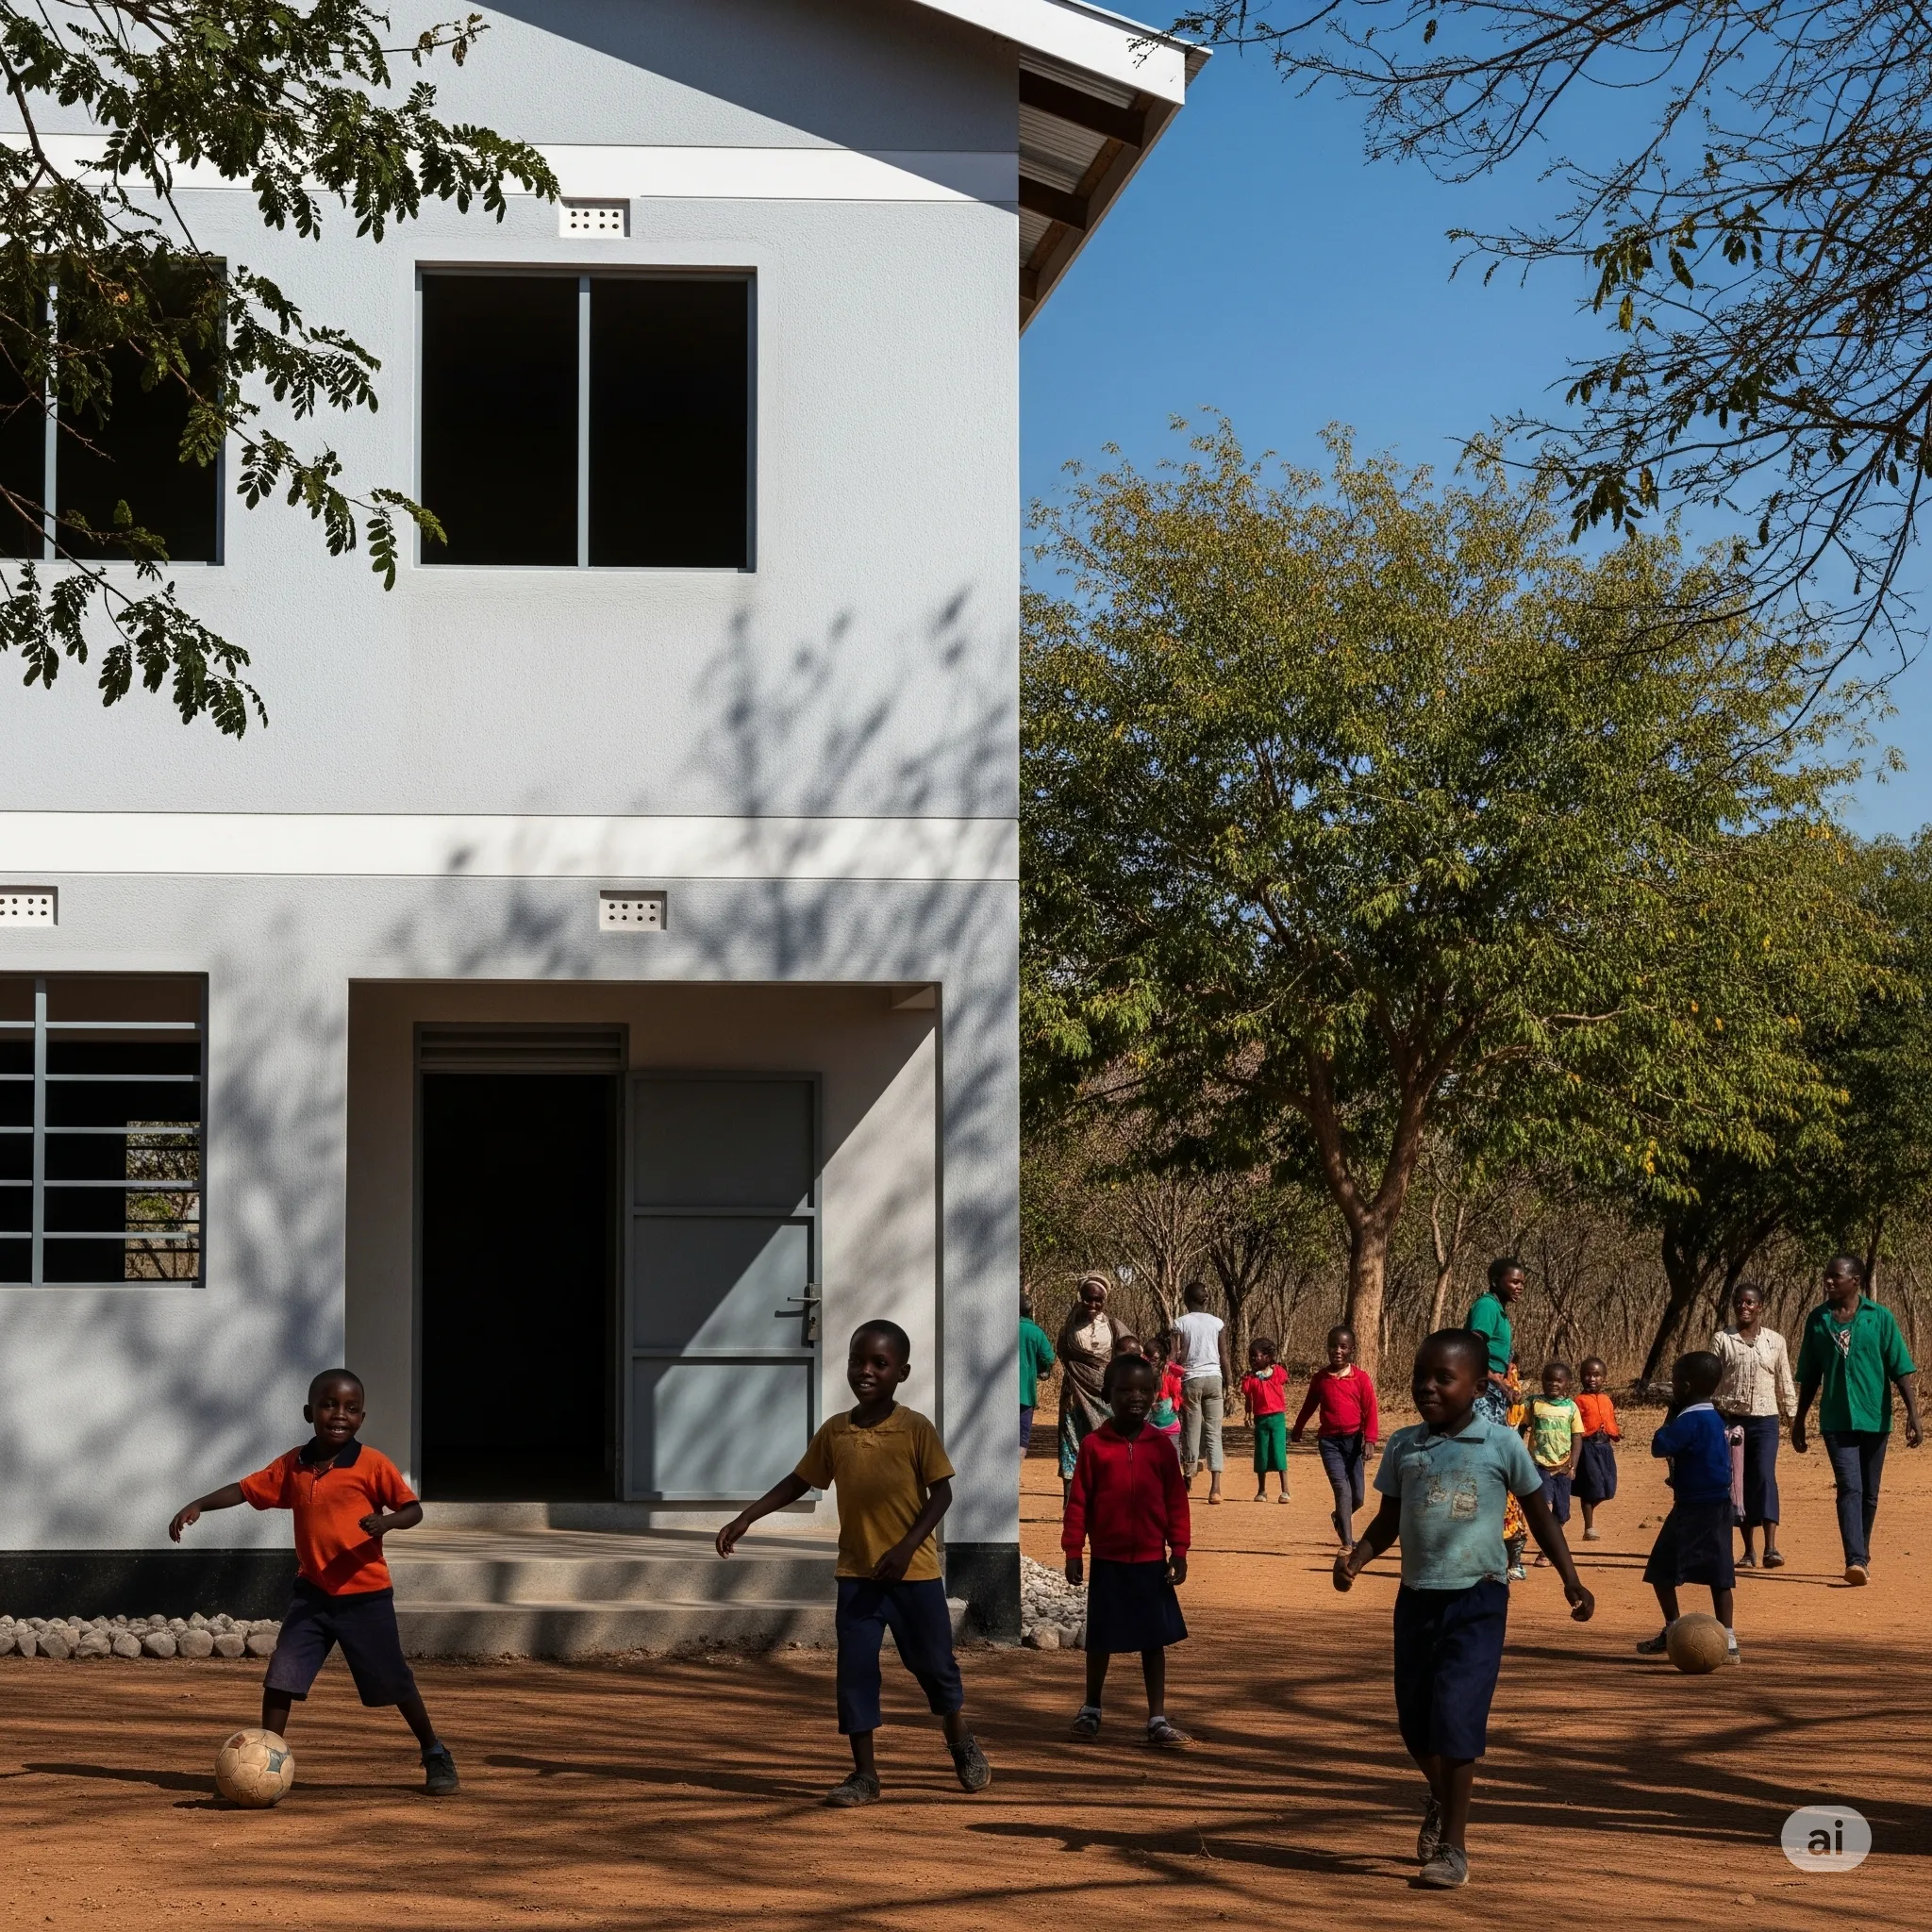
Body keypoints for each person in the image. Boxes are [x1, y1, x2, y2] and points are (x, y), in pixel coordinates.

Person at [1337, 1329, 1593, 1890]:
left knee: (1456, 1716)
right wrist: (1357, 1558)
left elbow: (1540, 1513)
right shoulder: (1404, 1446)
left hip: (1479, 1597)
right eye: (1420, 1377)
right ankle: (1441, 1794)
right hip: (1415, 1599)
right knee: (1414, 1724)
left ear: (1478, 1388)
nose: (1427, 1387)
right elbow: (1388, 1519)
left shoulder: (1502, 1444)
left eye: (1443, 1378)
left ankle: (1453, 1847)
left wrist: (1571, 1579)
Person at [716, 1320, 991, 1807]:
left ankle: (958, 1735)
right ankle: (865, 1775)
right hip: (857, 1577)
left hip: (914, 1576)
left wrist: (906, 1548)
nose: (865, 1371)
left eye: (879, 1363)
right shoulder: (835, 1431)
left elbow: (942, 1494)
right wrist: (747, 1517)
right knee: (855, 1674)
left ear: (901, 1372)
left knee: (934, 1667)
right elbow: (800, 1481)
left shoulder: (915, 1429)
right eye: (857, 1361)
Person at [167, 1368, 459, 1796]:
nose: (339, 1414)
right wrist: (199, 1504)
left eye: (351, 1408)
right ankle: (264, 1762)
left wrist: (386, 1522)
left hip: (365, 1597)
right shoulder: (294, 1465)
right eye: (328, 1405)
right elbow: (246, 1489)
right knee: (280, 1677)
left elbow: (413, 1510)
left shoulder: (372, 1464)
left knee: (393, 1680)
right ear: (309, 1412)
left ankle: (434, 1750)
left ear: (361, 1418)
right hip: (313, 1595)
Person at [1062, 1352, 1191, 1748]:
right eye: (1124, 1390)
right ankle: (1091, 1707)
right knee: (1100, 1639)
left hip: (1151, 1562)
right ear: (1107, 1394)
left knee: (1153, 1642)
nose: (1135, 1397)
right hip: (1108, 1561)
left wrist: (1179, 1550)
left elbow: (1176, 1503)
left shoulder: (1161, 1448)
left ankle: (1157, 1717)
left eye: (1144, 1390)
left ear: (1155, 1394)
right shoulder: (1093, 1446)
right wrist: (1073, 1551)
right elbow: (1078, 1503)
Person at [1792, 1253, 1923, 1586]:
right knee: (1850, 1486)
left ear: (1856, 1281)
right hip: (1836, 1419)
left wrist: (1913, 1413)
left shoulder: (1880, 1318)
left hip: (1874, 1417)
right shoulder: (1818, 1320)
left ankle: (1861, 1554)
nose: (1828, 1281)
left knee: (1869, 1493)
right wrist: (1799, 1419)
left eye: (1836, 1276)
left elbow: (1900, 1370)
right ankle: (1855, 1558)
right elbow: (1810, 1375)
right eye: (1827, 1274)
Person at [1636, 1350, 1740, 1664]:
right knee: (1720, 1573)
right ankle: (1729, 1640)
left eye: (1675, 1381)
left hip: (1692, 1508)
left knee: (1660, 1570)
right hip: (1719, 1506)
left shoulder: (1689, 1420)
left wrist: (1670, 1416)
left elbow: (1659, 1445)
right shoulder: (1715, 1418)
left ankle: (1673, 1628)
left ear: (1685, 1386)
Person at [1712, 1281, 1797, 1568]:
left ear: (1760, 1306)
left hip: (1765, 1420)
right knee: (1738, 1480)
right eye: (1739, 1302)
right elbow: (1712, 1379)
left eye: (1750, 1302)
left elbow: (1784, 1381)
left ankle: (1771, 1547)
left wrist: (1793, 1418)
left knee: (1764, 1476)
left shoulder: (1775, 1341)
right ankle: (1748, 1551)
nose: (1744, 1307)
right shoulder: (1722, 1340)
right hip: (1731, 1419)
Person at [1292, 1324, 1380, 1549]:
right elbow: (1309, 1404)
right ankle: (1347, 1544)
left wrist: (1370, 1440)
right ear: (1327, 1348)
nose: (1337, 1351)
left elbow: (1370, 1410)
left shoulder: (1360, 1378)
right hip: (1329, 1442)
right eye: (1333, 1346)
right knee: (1342, 1489)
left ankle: (1339, 1517)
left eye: (1343, 1347)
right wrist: (1298, 1427)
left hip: (1354, 1441)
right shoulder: (1320, 1379)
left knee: (1358, 1497)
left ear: (1352, 1349)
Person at [1466, 1259, 1528, 1578]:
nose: (1519, 1287)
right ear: (1495, 1281)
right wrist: (1497, 1382)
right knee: (1484, 1461)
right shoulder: (1487, 1307)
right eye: (1513, 1281)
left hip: (1494, 1392)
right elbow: (1473, 1348)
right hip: (1483, 1392)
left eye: (1522, 1282)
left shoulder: (1500, 1311)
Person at [1056, 1274, 1122, 1505]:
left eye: (1098, 1300)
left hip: (1105, 1396)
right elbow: (1061, 1352)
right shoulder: (1070, 1327)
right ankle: (1070, 1504)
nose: (1092, 1304)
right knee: (1071, 1444)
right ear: (1080, 1297)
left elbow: (1129, 1351)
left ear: (1105, 1300)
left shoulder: (1113, 1326)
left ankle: (1106, 1500)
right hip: (1074, 1395)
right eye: (1088, 1298)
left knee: (1106, 1445)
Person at [1170, 1280, 1233, 1505]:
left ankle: (1188, 1475)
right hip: (1215, 1379)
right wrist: (1230, 1384)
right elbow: (1224, 1356)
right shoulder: (1217, 1323)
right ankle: (1215, 1488)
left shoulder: (1180, 1323)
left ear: (1186, 1300)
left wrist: (1168, 1379)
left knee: (1191, 1431)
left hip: (1191, 1380)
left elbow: (1174, 1355)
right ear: (1205, 1300)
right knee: (1214, 1432)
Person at [1523, 1361, 1583, 1564]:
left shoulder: (1571, 1407)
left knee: (1561, 1514)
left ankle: (1549, 1547)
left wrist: (1573, 1465)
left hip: (1563, 1467)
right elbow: (1521, 1426)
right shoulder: (1534, 1403)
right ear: (1542, 1381)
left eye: (1558, 1380)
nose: (1553, 1384)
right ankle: (1545, 1550)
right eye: (1548, 1380)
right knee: (1545, 1507)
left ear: (1567, 1383)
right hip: (1538, 1464)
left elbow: (1577, 1437)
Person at [1572, 1357, 1621, 1541]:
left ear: (1604, 1378)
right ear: (1581, 1377)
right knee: (1590, 1486)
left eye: (1597, 1375)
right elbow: (1574, 1426)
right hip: (1587, 1448)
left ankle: (1590, 1507)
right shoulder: (1578, 1401)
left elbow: (1609, 1419)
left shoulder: (1607, 1399)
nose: (1592, 1379)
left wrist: (1614, 1432)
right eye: (1588, 1375)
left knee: (1608, 1486)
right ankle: (1589, 1527)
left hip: (1605, 1448)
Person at [1240, 1338, 1292, 1503]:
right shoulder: (1251, 1378)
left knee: (1279, 1451)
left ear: (1268, 1357)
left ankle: (1285, 1491)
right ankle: (1261, 1490)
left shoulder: (1277, 1373)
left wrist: (1273, 1368)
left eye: (1257, 1356)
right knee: (1261, 1453)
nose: (1253, 1359)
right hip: (1260, 1419)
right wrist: (1247, 1415)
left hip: (1277, 1418)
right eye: (1251, 1357)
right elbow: (1248, 1398)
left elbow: (1284, 1377)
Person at [1019, 1293, 1058, 1457]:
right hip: (1026, 1395)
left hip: (999, 1395)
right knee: (1022, 1437)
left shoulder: (1001, 1329)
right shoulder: (1036, 1332)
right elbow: (1049, 1358)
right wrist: (1042, 1369)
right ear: (1030, 1311)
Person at [1148, 1337, 1185, 1446]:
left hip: (1169, 1423)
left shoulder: (1169, 1372)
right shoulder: (1145, 1373)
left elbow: (1181, 1371)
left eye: (1155, 1359)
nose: (1152, 1362)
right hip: (1155, 1424)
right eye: (1149, 1359)